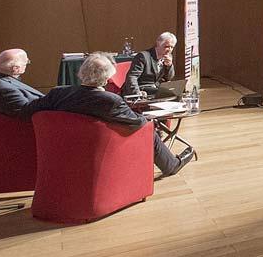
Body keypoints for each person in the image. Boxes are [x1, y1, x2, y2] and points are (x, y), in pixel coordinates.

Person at [22, 52, 193, 177]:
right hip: (101, 148)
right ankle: (171, 165)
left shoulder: (57, 93)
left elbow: (32, 109)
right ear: (105, 80)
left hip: (64, 148)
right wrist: (150, 120)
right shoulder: (110, 100)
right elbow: (136, 122)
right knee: (148, 128)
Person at [0, 48, 43, 117]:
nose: (26, 65)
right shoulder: (4, 88)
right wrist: (53, 96)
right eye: (26, 62)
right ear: (16, 68)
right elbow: (25, 111)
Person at [123, 32, 176, 96]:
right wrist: (137, 93)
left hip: (155, 88)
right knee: (165, 94)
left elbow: (169, 78)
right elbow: (132, 77)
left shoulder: (167, 56)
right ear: (158, 44)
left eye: (172, 47)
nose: (169, 50)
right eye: (166, 47)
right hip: (142, 87)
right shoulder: (143, 56)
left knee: (175, 92)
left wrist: (169, 66)